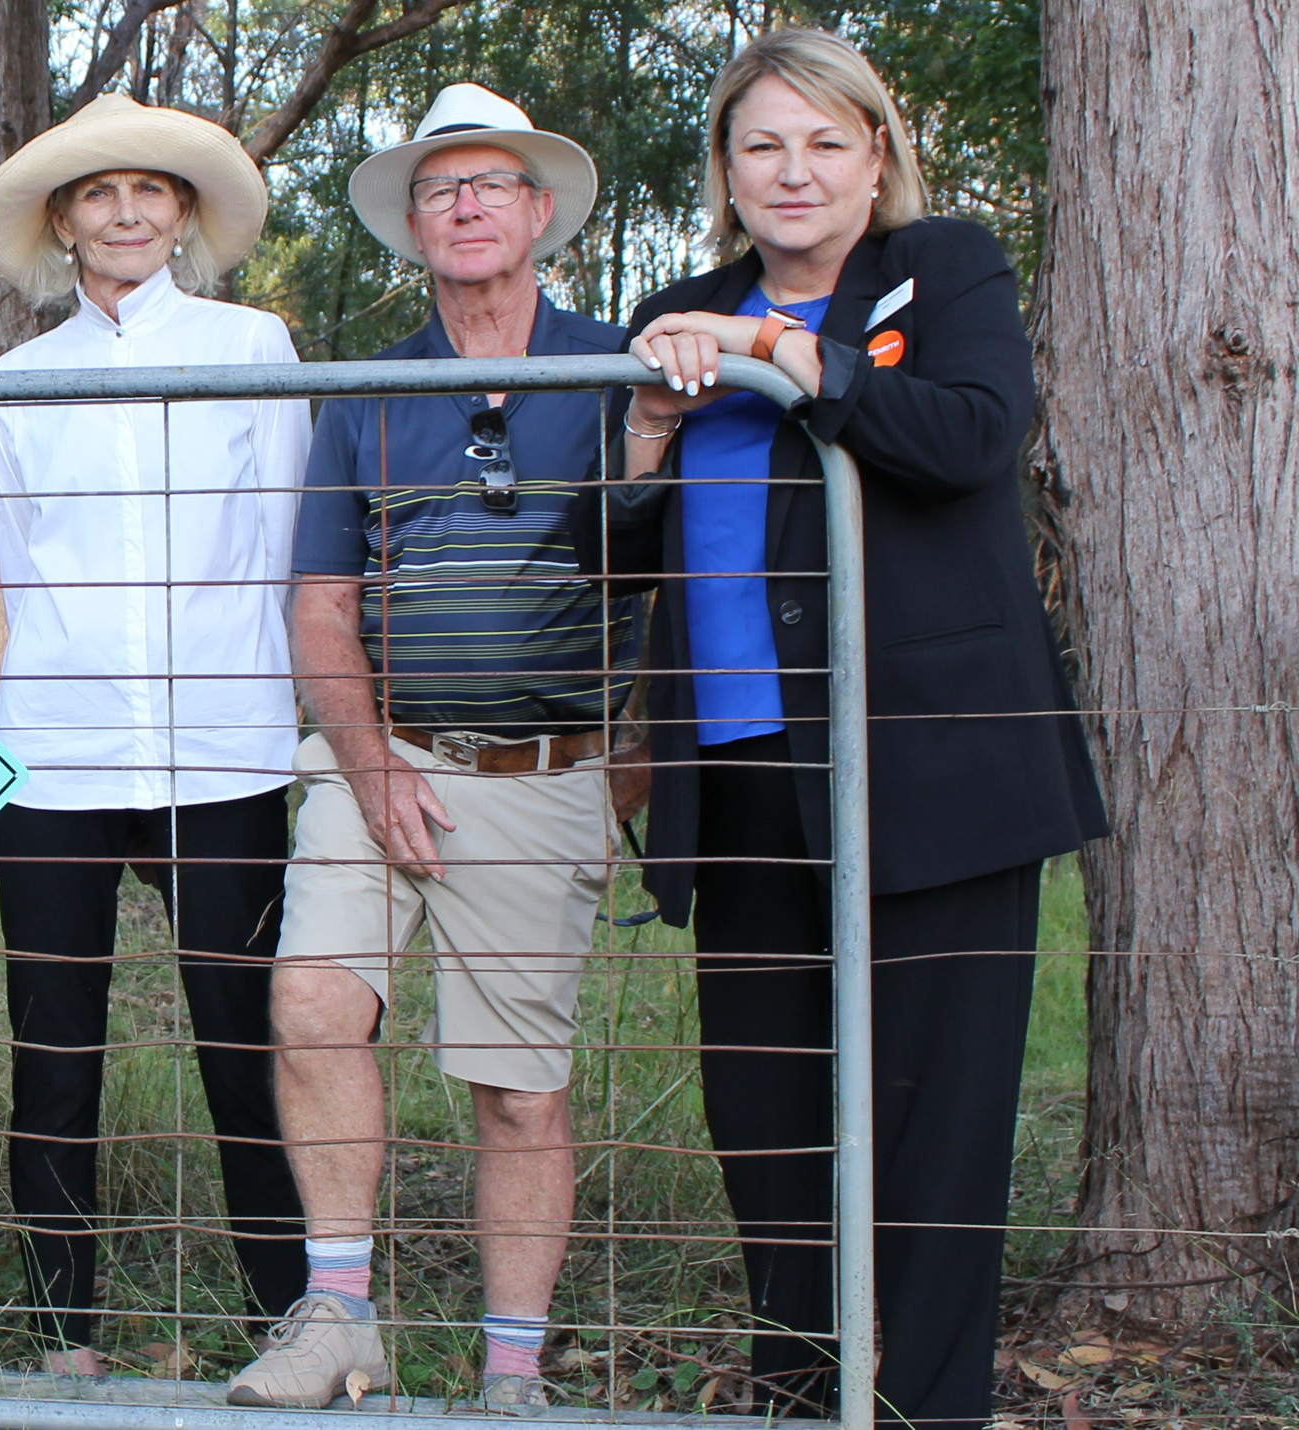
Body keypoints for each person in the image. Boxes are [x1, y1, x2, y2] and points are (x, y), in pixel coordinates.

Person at [585, 29, 1106, 1429]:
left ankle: (931, 1409)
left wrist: (782, 355)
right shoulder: (678, 306)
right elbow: (614, 566)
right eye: (764, 144)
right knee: (767, 1131)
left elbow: (969, 438)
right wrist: (641, 432)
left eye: (825, 140)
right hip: (745, 780)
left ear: (877, 155)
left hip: (941, 773)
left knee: (938, 1133)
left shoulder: (948, 274)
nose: (794, 169)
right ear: (726, 171)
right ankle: (802, 1397)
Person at [228, 85, 634, 1414]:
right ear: (414, 224)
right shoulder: (370, 388)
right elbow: (321, 602)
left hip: (544, 775)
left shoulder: (616, 372)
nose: (464, 204)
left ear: (537, 213)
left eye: (490, 183)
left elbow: (669, 580)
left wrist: (627, 767)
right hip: (380, 755)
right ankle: (339, 1312)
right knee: (309, 1004)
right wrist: (370, 757)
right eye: (440, 187)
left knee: (517, 1094)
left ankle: (512, 1375)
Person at [0, 93, 310, 1376]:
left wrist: (287, 721)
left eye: (147, 190)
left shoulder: (253, 344)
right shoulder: (17, 381)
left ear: (182, 213)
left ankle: (291, 1314)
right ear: (62, 221)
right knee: (54, 1047)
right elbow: (16, 567)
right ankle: (64, 1332)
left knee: (247, 1042)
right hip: (57, 756)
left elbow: (283, 540)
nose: (123, 210)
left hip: (222, 748)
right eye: (96, 193)